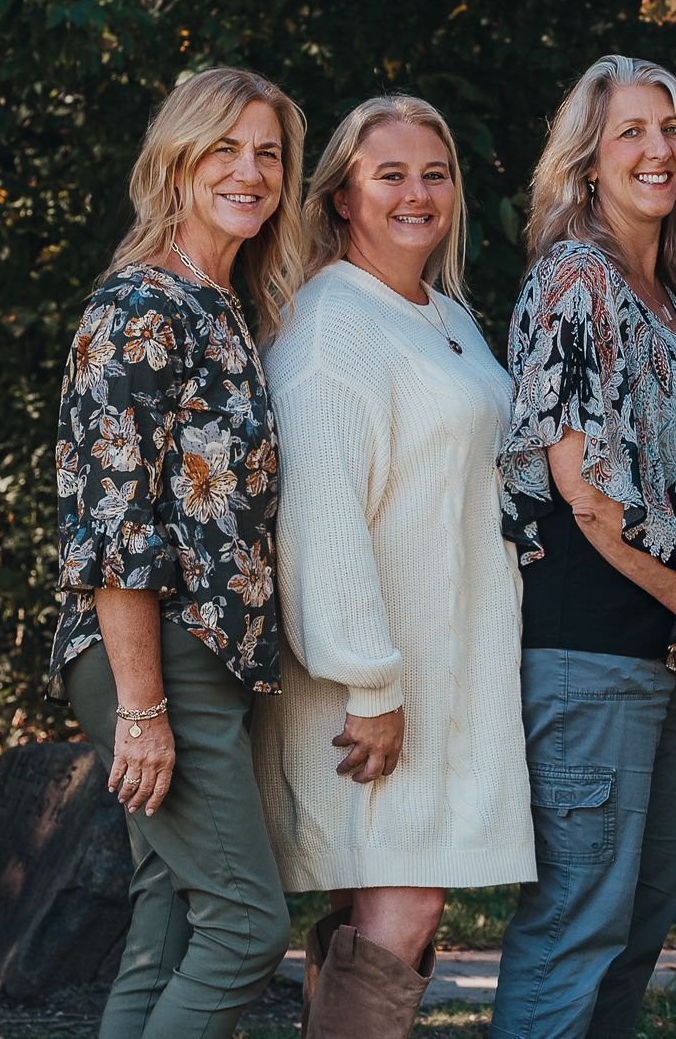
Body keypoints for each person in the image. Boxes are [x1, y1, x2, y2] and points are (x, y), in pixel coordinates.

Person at [251, 95, 534, 1036]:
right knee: (398, 911)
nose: (419, 193)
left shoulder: (440, 311)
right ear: (340, 196)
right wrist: (369, 682)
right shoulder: (332, 324)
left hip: (444, 672)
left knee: (393, 917)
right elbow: (320, 514)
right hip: (372, 687)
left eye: (436, 172)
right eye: (391, 175)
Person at [49, 66, 303, 1038]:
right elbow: (112, 531)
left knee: (164, 926)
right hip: (158, 651)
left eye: (268, 152)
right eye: (225, 148)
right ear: (178, 159)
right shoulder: (142, 308)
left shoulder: (222, 304)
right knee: (245, 923)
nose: (250, 169)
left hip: (205, 657)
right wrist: (144, 705)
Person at [489, 56, 676, 1038]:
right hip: (586, 650)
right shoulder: (577, 276)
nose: (657, 149)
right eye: (631, 130)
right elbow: (585, 492)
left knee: (634, 928)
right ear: (587, 159)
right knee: (574, 929)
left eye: (670, 127)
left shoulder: (671, 290)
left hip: (660, 653)